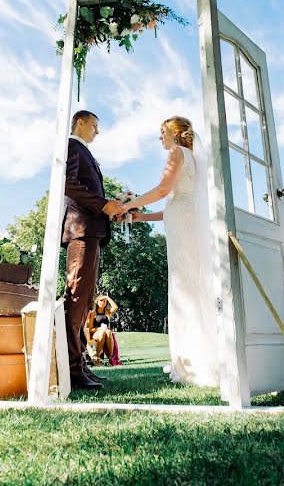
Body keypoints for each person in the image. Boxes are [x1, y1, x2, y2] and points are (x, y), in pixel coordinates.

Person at [118, 116, 221, 387]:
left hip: (182, 227)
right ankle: (198, 358)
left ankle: (192, 364)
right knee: (190, 285)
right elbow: (177, 204)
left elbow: (164, 190)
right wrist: (142, 217)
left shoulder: (177, 153)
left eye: (162, 132)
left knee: (183, 287)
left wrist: (128, 205)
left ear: (175, 133)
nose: (160, 137)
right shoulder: (194, 158)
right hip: (185, 223)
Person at [61, 111, 123, 390]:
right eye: (95, 125)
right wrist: (102, 205)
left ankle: (82, 365)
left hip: (92, 230)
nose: (97, 131)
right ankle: (72, 370)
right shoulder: (73, 146)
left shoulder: (85, 151)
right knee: (75, 299)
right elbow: (68, 184)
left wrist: (112, 208)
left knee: (84, 303)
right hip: (80, 230)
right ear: (81, 123)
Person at [85, 295, 118, 366]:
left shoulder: (107, 312)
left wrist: (107, 297)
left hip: (106, 333)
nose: (103, 302)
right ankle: (97, 357)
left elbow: (115, 307)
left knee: (108, 331)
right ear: (97, 302)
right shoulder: (93, 313)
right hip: (95, 333)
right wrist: (99, 329)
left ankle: (111, 358)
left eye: (104, 301)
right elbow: (90, 329)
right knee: (103, 332)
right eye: (101, 300)